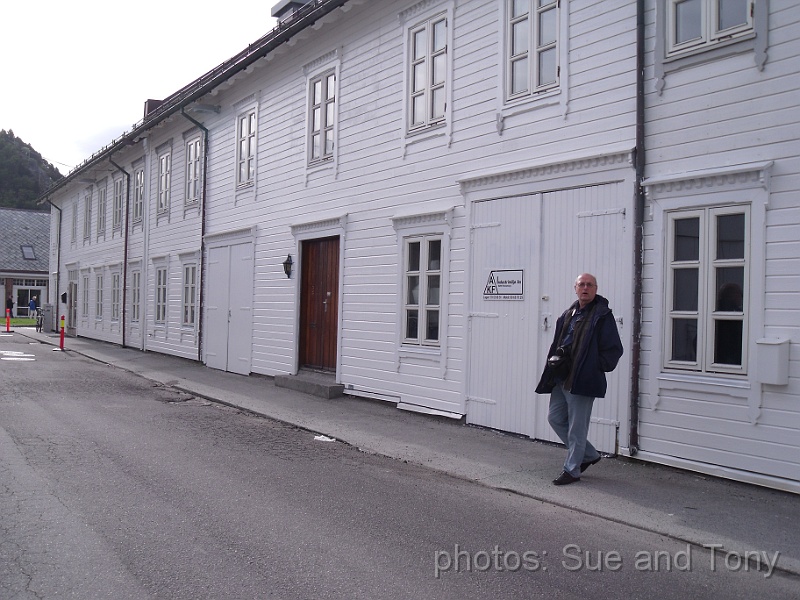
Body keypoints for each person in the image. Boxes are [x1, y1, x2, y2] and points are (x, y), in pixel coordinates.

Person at [535, 273, 624, 486]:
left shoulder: (602, 315)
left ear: (595, 289)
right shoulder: (568, 313)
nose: (585, 288)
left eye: (589, 285)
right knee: (555, 418)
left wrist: (594, 366)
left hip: (582, 378)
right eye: (581, 284)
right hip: (562, 376)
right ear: (575, 288)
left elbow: (614, 350)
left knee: (577, 427)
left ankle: (572, 470)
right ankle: (589, 454)